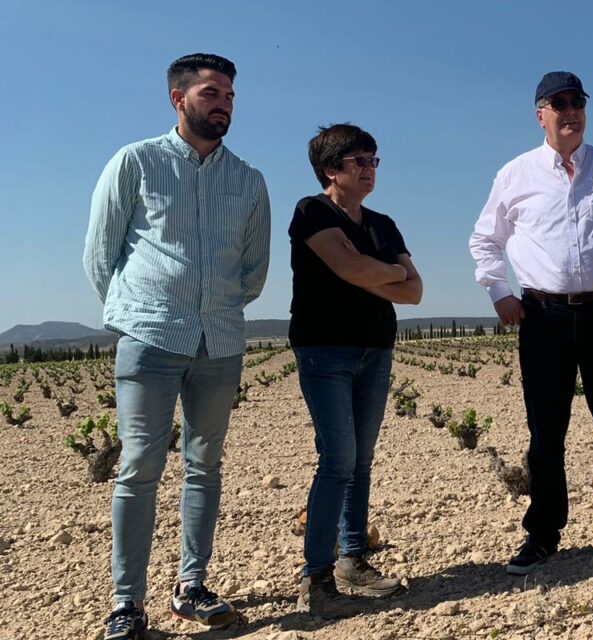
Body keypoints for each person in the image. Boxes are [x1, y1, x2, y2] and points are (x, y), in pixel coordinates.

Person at [83, 53, 270, 640]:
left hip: (221, 344)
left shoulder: (249, 179)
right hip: (150, 339)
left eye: (231, 96)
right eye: (212, 93)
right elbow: (100, 254)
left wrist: (218, 306)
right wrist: (139, 312)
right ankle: (125, 604)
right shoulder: (135, 162)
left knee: (204, 465)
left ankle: (191, 587)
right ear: (178, 99)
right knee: (139, 466)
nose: (224, 104)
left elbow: (255, 269)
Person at [469, 71, 593, 575]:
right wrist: (499, 293)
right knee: (545, 435)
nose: (570, 110)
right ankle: (543, 534)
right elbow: (484, 241)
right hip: (543, 319)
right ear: (541, 115)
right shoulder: (515, 174)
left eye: (577, 101)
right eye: (559, 103)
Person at [289, 124, 420, 615]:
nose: (370, 169)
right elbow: (354, 271)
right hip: (324, 352)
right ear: (331, 169)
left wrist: (368, 270)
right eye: (359, 161)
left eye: (373, 160)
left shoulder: (383, 224)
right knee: (338, 460)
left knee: (361, 460)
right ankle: (316, 577)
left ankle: (353, 559)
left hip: (375, 350)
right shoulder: (312, 211)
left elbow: (416, 291)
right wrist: (382, 271)